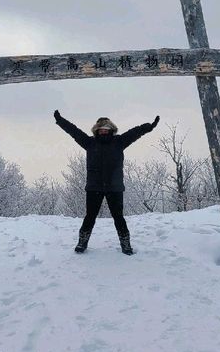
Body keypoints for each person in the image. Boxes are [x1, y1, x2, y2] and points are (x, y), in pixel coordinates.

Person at [54, 109, 159, 255]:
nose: (103, 131)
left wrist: (149, 126)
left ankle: (126, 244)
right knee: (90, 217)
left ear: (111, 130)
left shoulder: (119, 142)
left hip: (114, 187)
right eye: (101, 129)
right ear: (96, 130)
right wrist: (60, 121)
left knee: (118, 217)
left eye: (106, 129)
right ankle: (82, 243)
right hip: (94, 187)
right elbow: (74, 131)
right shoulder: (89, 143)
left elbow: (135, 132)